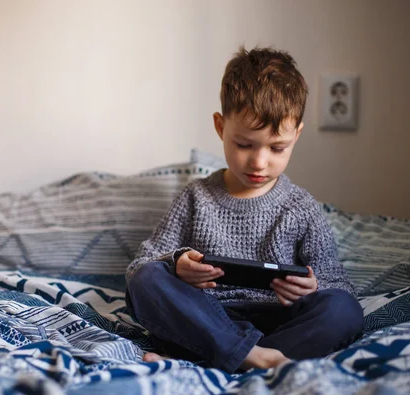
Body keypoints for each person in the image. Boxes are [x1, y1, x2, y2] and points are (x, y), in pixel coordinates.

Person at [125, 46, 363, 374]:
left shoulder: (301, 207)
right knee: (146, 278)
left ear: (297, 135)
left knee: (344, 309)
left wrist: (313, 286)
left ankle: (224, 360)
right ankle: (253, 359)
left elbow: (340, 283)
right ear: (221, 127)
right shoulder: (195, 198)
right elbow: (142, 265)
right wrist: (176, 264)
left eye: (277, 148)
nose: (259, 162)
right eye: (244, 144)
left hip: (280, 325)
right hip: (205, 318)